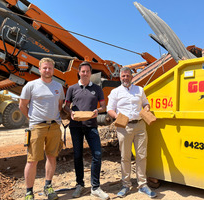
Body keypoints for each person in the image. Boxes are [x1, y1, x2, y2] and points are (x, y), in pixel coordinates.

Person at [107, 67, 157, 198]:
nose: (125, 78)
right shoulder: (115, 92)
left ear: (132, 77)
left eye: (127, 76)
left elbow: (146, 104)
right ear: (120, 77)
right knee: (125, 157)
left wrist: (146, 109)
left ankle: (142, 184)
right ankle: (126, 185)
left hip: (140, 126)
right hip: (124, 127)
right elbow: (109, 109)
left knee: (142, 156)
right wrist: (117, 117)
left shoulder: (139, 90)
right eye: (123, 76)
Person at [19, 57, 64, 200]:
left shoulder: (58, 86)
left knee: (51, 157)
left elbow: (59, 105)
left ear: (53, 70)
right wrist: (32, 119)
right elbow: (22, 105)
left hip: (54, 126)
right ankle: (29, 192)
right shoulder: (31, 86)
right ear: (39, 69)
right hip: (37, 127)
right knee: (32, 160)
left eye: (50, 68)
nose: (47, 70)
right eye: (44, 68)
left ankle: (48, 186)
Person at [64, 61, 109, 200]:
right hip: (75, 127)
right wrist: (70, 112)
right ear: (79, 72)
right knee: (78, 155)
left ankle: (95, 187)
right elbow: (66, 106)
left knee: (97, 154)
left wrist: (98, 110)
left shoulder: (97, 88)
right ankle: (80, 184)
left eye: (87, 72)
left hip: (91, 126)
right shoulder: (72, 88)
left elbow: (103, 106)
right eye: (82, 71)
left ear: (90, 73)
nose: (85, 74)